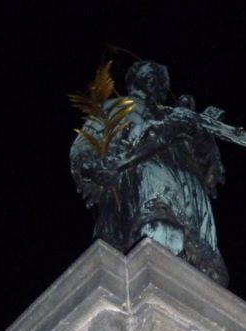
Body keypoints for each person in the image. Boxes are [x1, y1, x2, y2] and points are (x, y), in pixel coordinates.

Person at [70, 61, 228, 285]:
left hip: (188, 184)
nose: (158, 83)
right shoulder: (116, 107)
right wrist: (94, 169)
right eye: (149, 75)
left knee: (208, 268)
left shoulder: (174, 114)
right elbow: (84, 147)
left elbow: (207, 163)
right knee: (160, 231)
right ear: (135, 81)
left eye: (161, 81)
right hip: (141, 174)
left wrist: (198, 133)